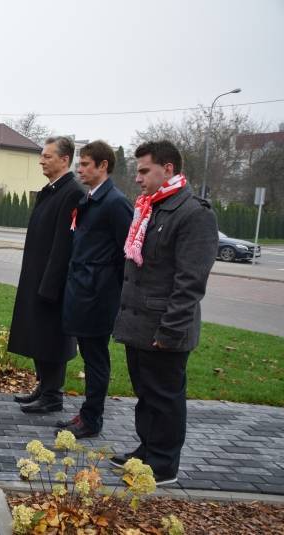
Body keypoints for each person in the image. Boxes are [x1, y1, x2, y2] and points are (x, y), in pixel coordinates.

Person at [110, 140, 218, 486]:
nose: (138, 179)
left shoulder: (194, 213)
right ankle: (147, 450)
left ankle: (164, 464)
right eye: (138, 171)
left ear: (167, 168)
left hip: (164, 329)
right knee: (147, 395)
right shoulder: (150, 207)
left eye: (144, 171)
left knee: (165, 398)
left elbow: (190, 282)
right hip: (139, 325)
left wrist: (169, 331)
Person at [57, 140, 133, 438]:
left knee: (96, 359)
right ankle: (86, 414)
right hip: (83, 291)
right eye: (80, 163)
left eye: (86, 163)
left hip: (98, 296)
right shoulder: (90, 199)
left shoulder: (115, 203)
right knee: (90, 357)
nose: (80, 168)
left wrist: (107, 288)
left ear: (103, 166)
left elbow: (126, 254)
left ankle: (92, 419)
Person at [9, 137, 84, 413]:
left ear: (64, 160)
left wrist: (50, 284)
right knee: (37, 335)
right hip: (36, 276)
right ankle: (43, 386)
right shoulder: (51, 190)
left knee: (52, 338)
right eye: (42, 155)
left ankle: (53, 394)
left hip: (52, 281)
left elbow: (63, 244)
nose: (41, 160)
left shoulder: (71, 192)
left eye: (47, 156)